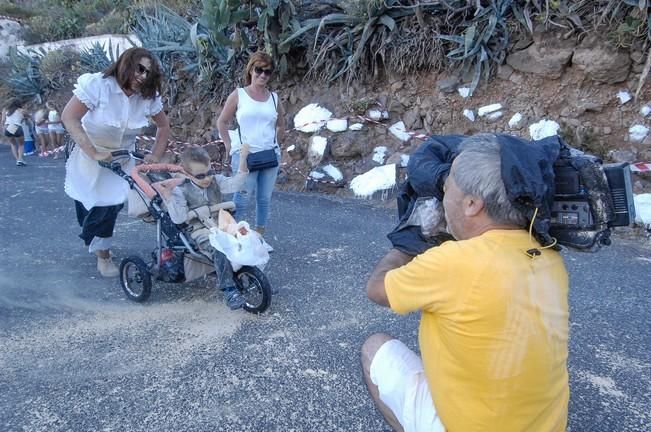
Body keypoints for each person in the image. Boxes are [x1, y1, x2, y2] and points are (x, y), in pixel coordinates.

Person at [362, 134, 570, 432]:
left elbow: (376, 289)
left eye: (446, 189)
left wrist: (409, 242)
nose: (444, 199)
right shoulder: (550, 258)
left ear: (472, 204)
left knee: (374, 348)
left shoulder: (452, 263)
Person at [62, 47, 171, 278]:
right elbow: (69, 117)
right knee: (86, 203)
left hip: (122, 159)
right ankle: (93, 236)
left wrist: (155, 155)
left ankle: (103, 254)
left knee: (109, 205)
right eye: (139, 69)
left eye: (148, 73)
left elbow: (163, 126)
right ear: (126, 64)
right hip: (88, 155)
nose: (142, 76)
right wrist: (93, 152)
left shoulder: (148, 97)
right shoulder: (98, 86)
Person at [153, 144, 251, 310]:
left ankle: (253, 272)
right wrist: (168, 196)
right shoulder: (181, 190)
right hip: (200, 230)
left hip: (222, 223)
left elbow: (236, 184)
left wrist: (243, 159)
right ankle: (229, 290)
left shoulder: (216, 182)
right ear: (187, 173)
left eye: (209, 173)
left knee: (247, 236)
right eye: (200, 176)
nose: (207, 179)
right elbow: (178, 219)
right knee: (219, 248)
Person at [216, 51, 286, 239]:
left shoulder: (274, 98)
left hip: (269, 154)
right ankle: (231, 236)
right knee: (242, 198)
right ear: (251, 70)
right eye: (259, 70)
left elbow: (281, 124)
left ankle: (259, 236)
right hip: (245, 155)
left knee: (264, 199)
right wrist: (229, 145)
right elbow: (222, 122)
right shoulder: (239, 95)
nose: (262, 75)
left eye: (267, 72)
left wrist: (275, 142)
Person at [2, 99, 26, 166]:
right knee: (21, 144)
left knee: (13, 144)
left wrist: (3, 128)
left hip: (8, 127)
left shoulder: (5, 110)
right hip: (16, 126)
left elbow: (3, 120)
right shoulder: (21, 110)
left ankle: (17, 159)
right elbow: (26, 117)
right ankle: (20, 159)